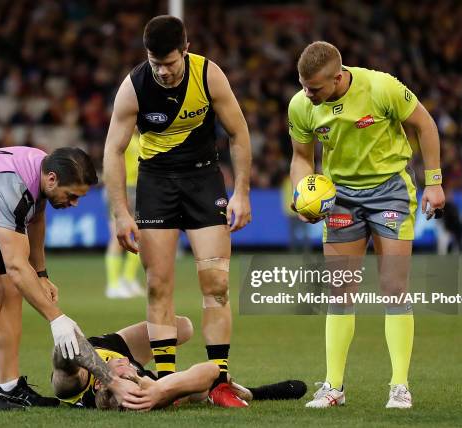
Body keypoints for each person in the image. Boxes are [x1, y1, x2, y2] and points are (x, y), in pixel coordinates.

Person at [0, 146, 148, 411]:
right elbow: (15, 265)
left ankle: (9, 386)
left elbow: (36, 219)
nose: (74, 203)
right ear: (52, 179)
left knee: (13, 290)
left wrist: (41, 274)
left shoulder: (41, 167)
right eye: (71, 196)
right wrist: (56, 319)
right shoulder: (11, 188)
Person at [103, 15, 252, 407]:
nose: (164, 72)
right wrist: (120, 213)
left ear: (185, 50)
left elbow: (238, 133)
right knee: (157, 285)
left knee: (216, 285)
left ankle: (219, 382)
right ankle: (167, 384)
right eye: (156, 64)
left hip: (204, 182)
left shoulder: (208, 75)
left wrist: (241, 192)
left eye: (169, 63)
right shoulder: (134, 86)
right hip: (156, 185)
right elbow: (113, 150)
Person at [288, 41, 445, 409]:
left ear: (338, 77)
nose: (307, 94)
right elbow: (300, 156)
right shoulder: (301, 106)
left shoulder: (381, 88)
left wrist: (434, 181)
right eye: (303, 86)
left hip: (390, 190)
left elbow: (426, 124)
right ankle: (333, 387)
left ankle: (400, 386)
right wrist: (303, 193)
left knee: (393, 288)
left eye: (315, 88)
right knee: (340, 291)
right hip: (340, 195)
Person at [51, 316, 307, 409]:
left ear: (97, 385)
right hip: (148, 381)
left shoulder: (75, 383)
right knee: (198, 388)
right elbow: (211, 369)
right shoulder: (147, 388)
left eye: (122, 374)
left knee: (181, 328)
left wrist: (109, 376)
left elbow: (68, 341)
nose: (127, 365)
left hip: (103, 347)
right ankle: (251, 393)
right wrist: (161, 387)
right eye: (131, 372)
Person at [105, 131, 144, 299]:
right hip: (121, 190)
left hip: (138, 190)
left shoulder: (141, 139)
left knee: (138, 235)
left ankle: (128, 279)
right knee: (117, 237)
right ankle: (112, 284)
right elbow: (110, 159)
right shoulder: (121, 137)